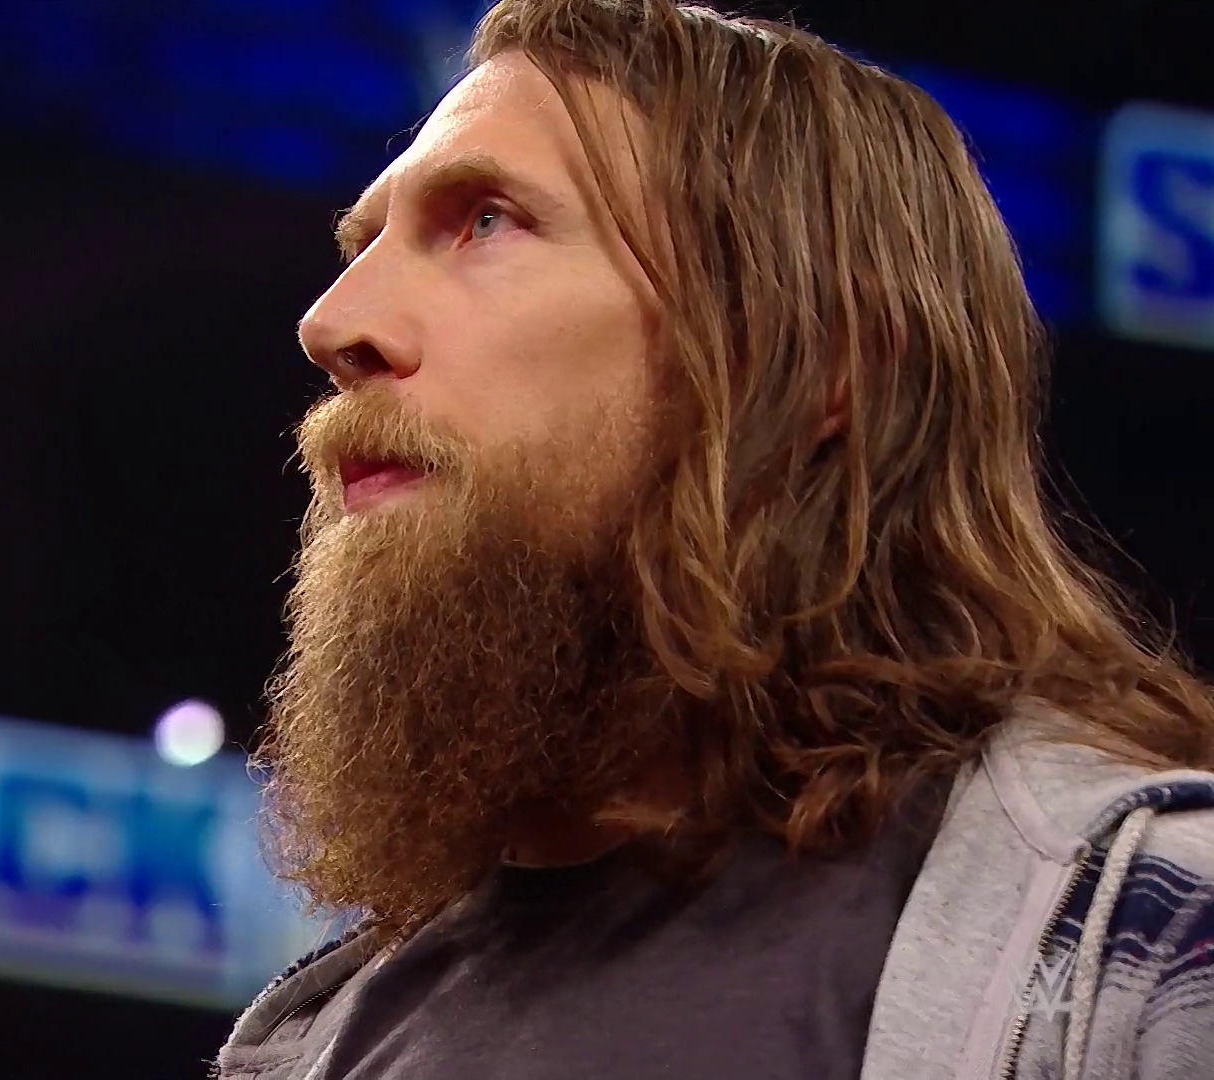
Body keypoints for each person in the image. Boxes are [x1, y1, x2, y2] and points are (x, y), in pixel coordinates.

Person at [214, 2, 1214, 1078]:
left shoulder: (1149, 945)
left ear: (821, 361)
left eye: (486, 221)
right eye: (364, 245)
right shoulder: (314, 1047)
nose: (332, 323)